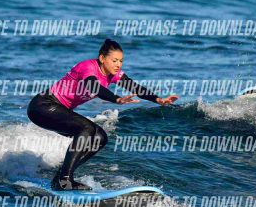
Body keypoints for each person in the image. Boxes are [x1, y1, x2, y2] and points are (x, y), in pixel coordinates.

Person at [27, 39, 178, 190]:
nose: (118, 64)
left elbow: (134, 87)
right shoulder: (87, 67)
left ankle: (60, 177)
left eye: (121, 61)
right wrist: (116, 99)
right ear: (102, 58)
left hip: (56, 110)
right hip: (43, 106)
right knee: (86, 129)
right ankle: (65, 180)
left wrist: (158, 99)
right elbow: (94, 86)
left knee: (100, 137)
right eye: (114, 60)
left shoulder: (113, 74)